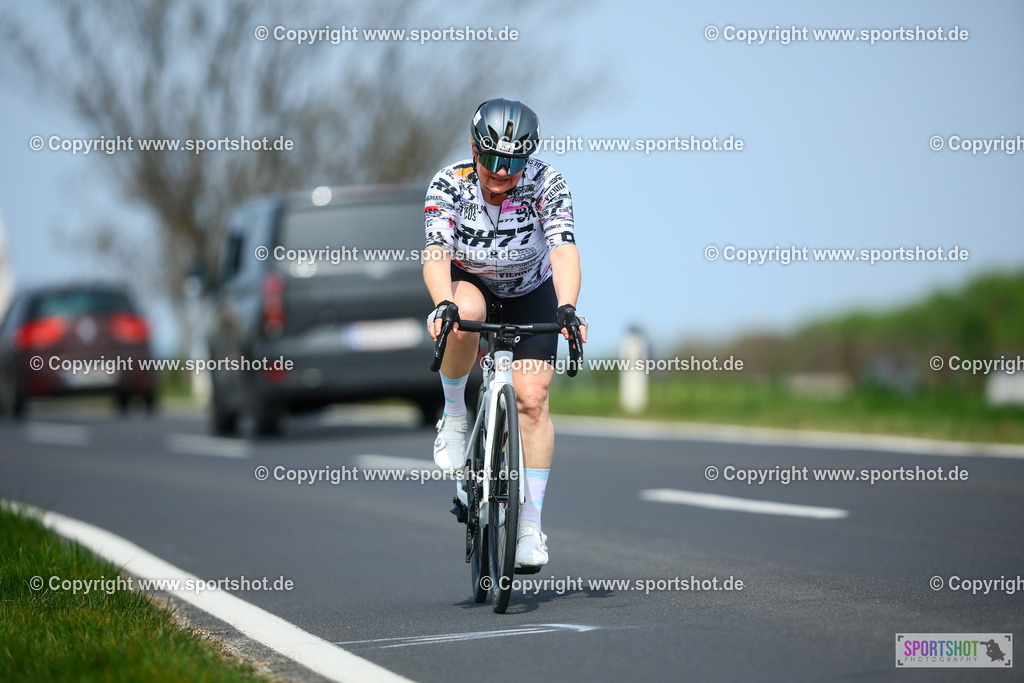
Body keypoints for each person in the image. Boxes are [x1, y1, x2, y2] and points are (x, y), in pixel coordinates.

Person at [422, 98, 586, 571]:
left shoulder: (547, 184)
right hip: (469, 283)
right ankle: (455, 416)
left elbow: (563, 250)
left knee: (532, 399)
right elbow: (436, 252)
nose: (500, 172)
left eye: (513, 164)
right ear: (474, 149)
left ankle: (529, 526)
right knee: (463, 316)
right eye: (491, 159)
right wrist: (443, 303)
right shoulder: (450, 183)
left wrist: (568, 308)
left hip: (530, 291)